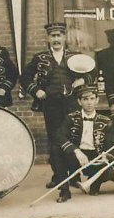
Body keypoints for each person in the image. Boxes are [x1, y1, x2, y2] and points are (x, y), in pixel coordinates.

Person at [21, 22, 93, 189]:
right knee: (55, 140)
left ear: (64, 37)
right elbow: (25, 77)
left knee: (73, 137)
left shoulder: (74, 56)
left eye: (59, 35)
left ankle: (74, 175)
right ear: (48, 38)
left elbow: (92, 72)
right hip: (51, 104)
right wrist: (36, 90)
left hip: (72, 103)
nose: (56, 39)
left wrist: (82, 80)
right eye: (53, 36)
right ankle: (58, 176)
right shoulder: (40, 58)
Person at [55, 85, 113, 201]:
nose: (89, 103)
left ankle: (94, 185)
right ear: (79, 101)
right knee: (56, 151)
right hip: (77, 156)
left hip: (96, 157)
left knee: (109, 167)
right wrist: (76, 151)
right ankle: (64, 190)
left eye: (92, 99)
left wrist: (106, 155)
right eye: (85, 99)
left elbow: (111, 143)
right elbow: (59, 135)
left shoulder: (106, 121)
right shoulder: (71, 118)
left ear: (97, 100)